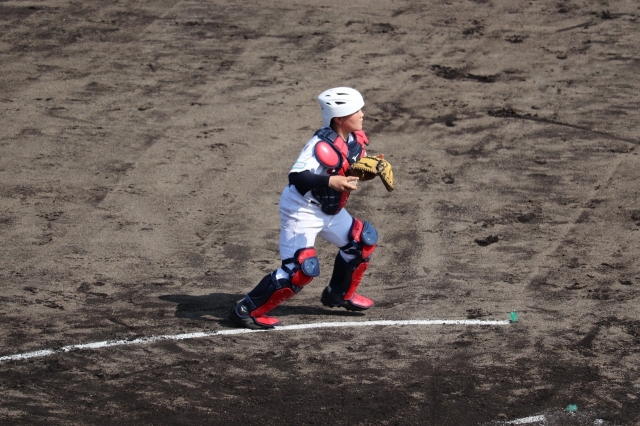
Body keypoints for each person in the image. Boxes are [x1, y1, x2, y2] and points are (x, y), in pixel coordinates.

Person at [229, 87, 381, 329]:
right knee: (300, 270)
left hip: (329, 209)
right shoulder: (320, 145)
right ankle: (246, 310)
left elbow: (348, 167)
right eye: (356, 111)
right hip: (302, 210)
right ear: (339, 118)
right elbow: (297, 176)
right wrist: (330, 182)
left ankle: (338, 294)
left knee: (361, 242)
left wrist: (365, 172)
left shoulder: (355, 140)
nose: (362, 114)